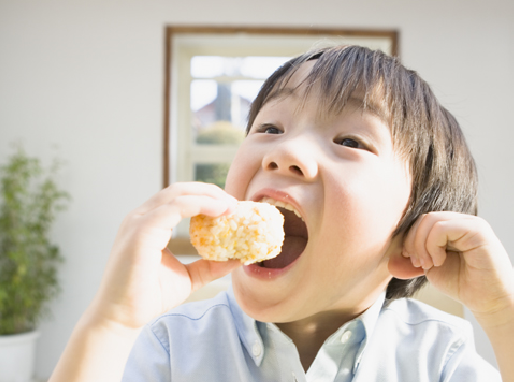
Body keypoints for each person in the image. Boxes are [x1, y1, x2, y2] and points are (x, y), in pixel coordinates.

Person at [49, 45, 513, 382]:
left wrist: (502, 312)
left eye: (349, 141)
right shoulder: (172, 349)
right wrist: (111, 323)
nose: (284, 151)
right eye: (270, 127)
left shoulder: (439, 358)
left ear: (411, 237)